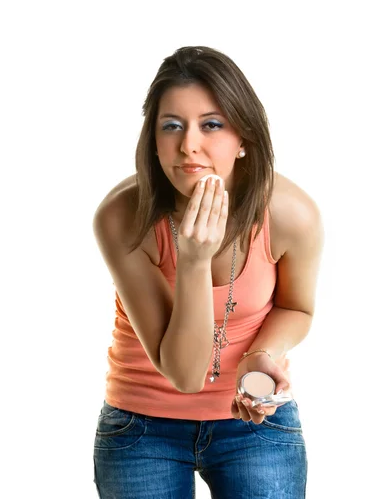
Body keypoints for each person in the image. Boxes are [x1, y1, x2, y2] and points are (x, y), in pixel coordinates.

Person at [92, 46, 324, 498]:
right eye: (171, 126)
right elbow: (184, 374)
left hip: (252, 422)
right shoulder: (122, 217)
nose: (188, 145)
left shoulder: (292, 214)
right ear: (153, 139)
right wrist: (194, 261)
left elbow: (297, 307)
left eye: (212, 125)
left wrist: (262, 355)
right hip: (142, 427)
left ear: (244, 139)